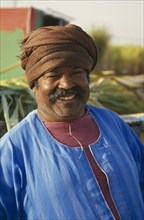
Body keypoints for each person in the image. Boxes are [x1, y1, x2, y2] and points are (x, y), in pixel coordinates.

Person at [0, 24, 144, 220]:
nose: (67, 84)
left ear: (87, 78)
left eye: (76, 72)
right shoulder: (13, 150)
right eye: (53, 75)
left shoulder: (114, 124)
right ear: (34, 85)